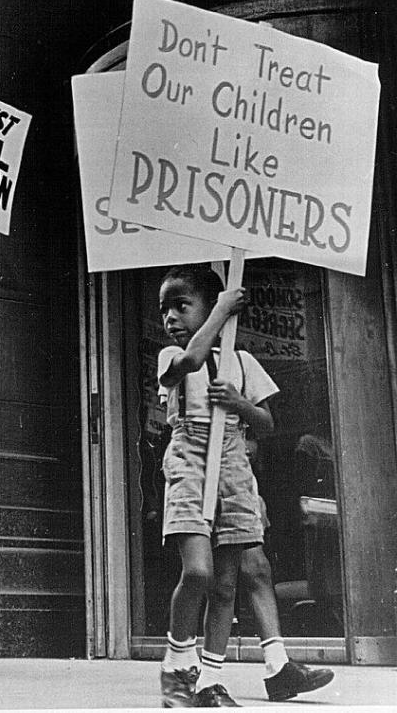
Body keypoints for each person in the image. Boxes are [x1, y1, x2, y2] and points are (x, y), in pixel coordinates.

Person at [156, 264, 276, 708]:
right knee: (199, 571)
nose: (170, 316)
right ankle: (175, 663)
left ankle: (210, 678)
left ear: (208, 307)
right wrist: (222, 309)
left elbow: (266, 422)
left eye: (181, 305)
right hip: (189, 458)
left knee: (226, 583)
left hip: (231, 460)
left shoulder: (241, 362)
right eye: (164, 309)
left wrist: (239, 402)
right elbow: (188, 361)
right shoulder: (171, 357)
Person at [235, 438, 333, 702]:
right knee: (205, 576)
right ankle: (182, 665)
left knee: (257, 568)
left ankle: (278, 667)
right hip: (200, 475)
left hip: (234, 479)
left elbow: (262, 423)